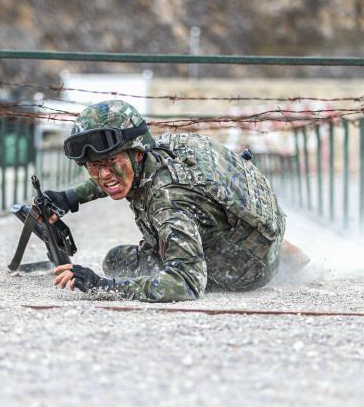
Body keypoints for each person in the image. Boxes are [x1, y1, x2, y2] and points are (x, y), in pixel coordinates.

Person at [37, 100, 308, 302]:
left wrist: (104, 286)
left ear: (137, 154)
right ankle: (277, 251)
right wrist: (68, 197)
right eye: (93, 166)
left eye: (110, 161)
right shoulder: (162, 149)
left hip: (247, 271)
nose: (103, 174)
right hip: (254, 230)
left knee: (118, 262)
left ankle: (267, 260)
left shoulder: (167, 201)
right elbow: (116, 178)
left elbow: (186, 283)